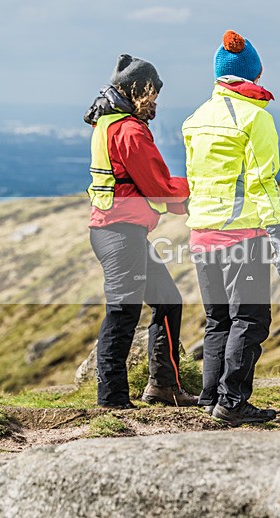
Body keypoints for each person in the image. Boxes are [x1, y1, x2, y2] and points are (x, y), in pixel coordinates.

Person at [183, 30, 280, 426]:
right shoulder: (255, 118)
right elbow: (262, 181)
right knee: (250, 319)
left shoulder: (195, 120)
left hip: (201, 234)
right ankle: (232, 402)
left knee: (219, 320)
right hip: (242, 236)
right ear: (251, 75)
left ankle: (210, 395)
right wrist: (279, 236)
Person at [85, 54, 198, 408]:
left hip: (117, 231)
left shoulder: (108, 123)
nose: (156, 103)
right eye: (153, 95)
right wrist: (198, 189)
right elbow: (158, 186)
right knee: (122, 311)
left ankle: (163, 387)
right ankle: (112, 398)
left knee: (168, 300)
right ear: (139, 91)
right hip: (121, 234)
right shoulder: (130, 130)